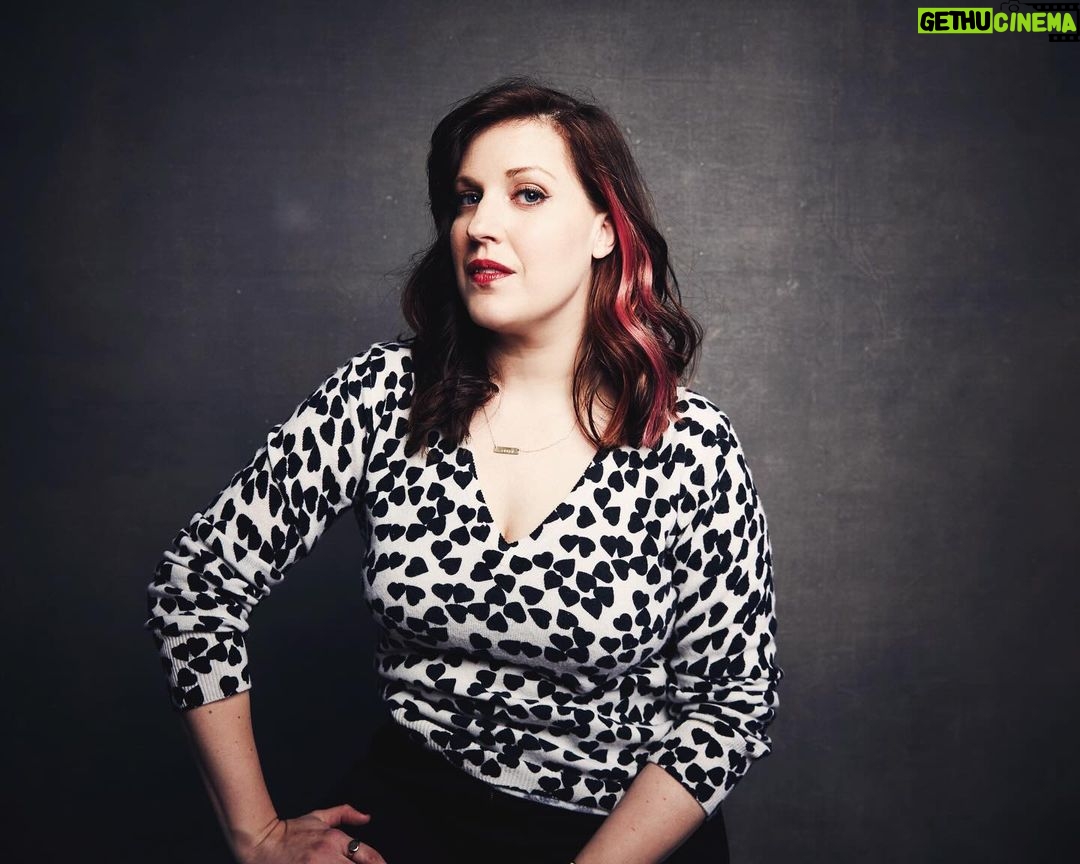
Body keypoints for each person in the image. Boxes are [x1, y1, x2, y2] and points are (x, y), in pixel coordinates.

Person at [145, 78, 782, 864]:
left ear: (604, 229)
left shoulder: (689, 445)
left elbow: (731, 706)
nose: (479, 225)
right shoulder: (384, 397)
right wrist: (257, 834)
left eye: (527, 195)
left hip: (620, 841)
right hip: (410, 823)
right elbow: (198, 583)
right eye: (466, 197)